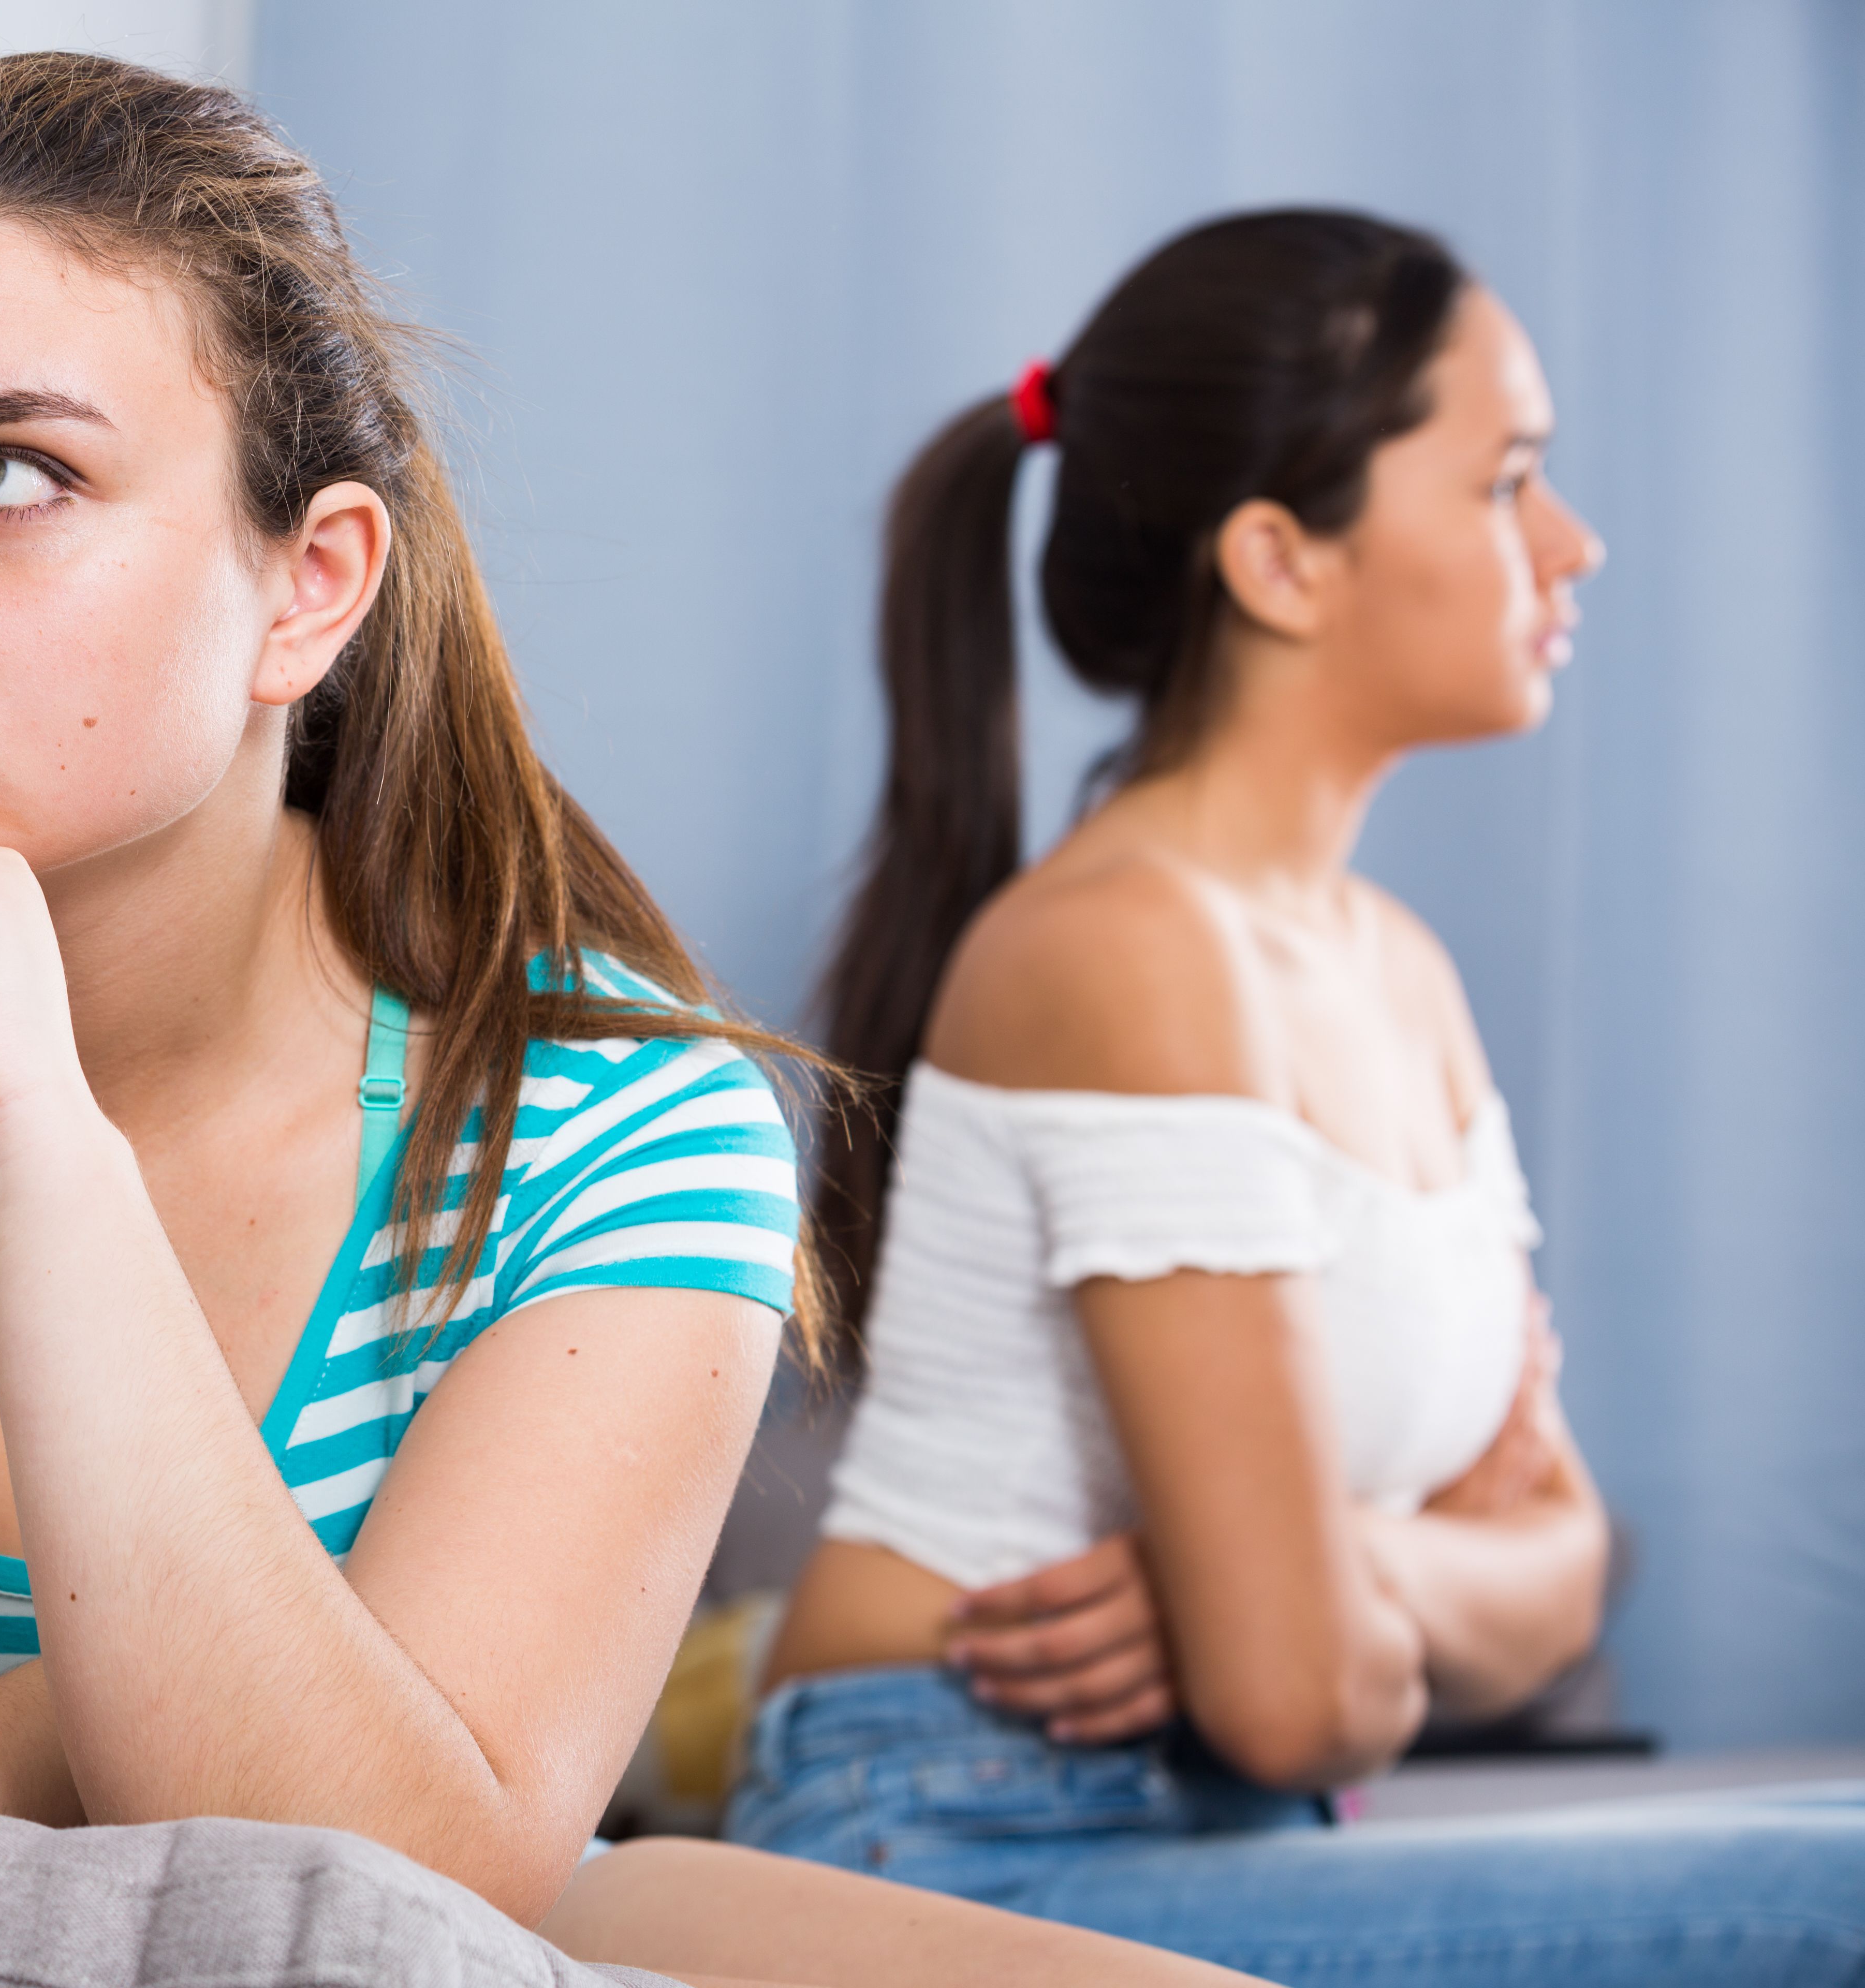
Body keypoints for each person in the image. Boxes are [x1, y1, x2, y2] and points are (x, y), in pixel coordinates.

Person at [0, 53, 1251, 1988]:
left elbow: (402, 1916)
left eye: (11, 476)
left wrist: (32, 1162)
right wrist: (60, 1730)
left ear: (310, 591)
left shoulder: (621, 1121)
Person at [727, 208, 1865, 1983]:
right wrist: (1374, 1592)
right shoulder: (1132, 951)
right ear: (1281, 560)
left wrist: (1350, 1570)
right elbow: (1300, 1700)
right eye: (1507, 482)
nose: (1575, 543)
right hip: (950, 1844)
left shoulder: (1396, 972)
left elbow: (1565, 1568)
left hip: (1205, 1842)